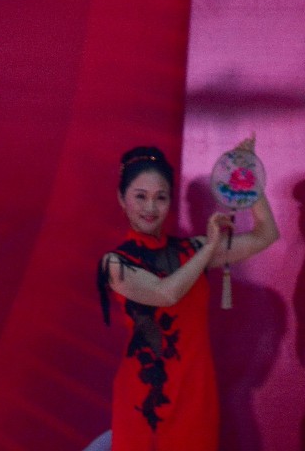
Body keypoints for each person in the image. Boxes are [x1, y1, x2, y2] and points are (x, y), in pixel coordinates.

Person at [98, 146, 279, 451]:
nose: (150, 207)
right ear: (121, 199)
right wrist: (208, 249)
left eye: (161, 197)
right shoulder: (116, 262)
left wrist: (249, 179)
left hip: (195, 393)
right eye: (140, 196)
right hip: (144, 396)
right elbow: (165, 293)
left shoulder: (190, 251)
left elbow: (266, 235)